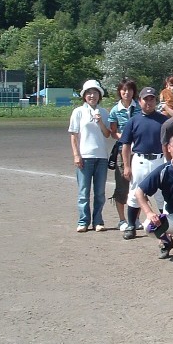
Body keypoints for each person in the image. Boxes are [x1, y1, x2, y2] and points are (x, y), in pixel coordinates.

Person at [120, 87, 169, 240]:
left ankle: (165, 225)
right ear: (139, 101)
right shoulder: (133, 121)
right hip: (140, 160)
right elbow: (126, 145)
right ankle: (131, 225)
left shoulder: (163, 120)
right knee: (135, 192)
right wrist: (127, 166)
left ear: (155, 101)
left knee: (161, 194)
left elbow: (169, 143)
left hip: (159, 160)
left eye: (151, 99)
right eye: (145, 99)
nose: (148, 102)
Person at [68, 79, 111, 232]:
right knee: (83, 192)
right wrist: (76, 155)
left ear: (99, 95)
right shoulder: (78, 112)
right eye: (89, 93)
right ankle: (83, 221)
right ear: (84, 95)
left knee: (99, 192)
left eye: (95, 93)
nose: (92, 95)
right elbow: (74, 135)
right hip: (85, 156)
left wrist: (100, 122)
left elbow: (107, 134)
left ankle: (98, 221)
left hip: (101, 157)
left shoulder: (104, 112)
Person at [108, 78, 141, 231]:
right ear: (120, 91)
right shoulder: (115, 110)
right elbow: (113, 132)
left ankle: (136, 218)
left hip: (139, 151)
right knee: (122, 186)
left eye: (130, 90)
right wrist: (125, 138)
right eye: (124, 90)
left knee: (139, 186)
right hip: (122, 151)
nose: (126, 93)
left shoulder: (139, 108)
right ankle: (122, 220)